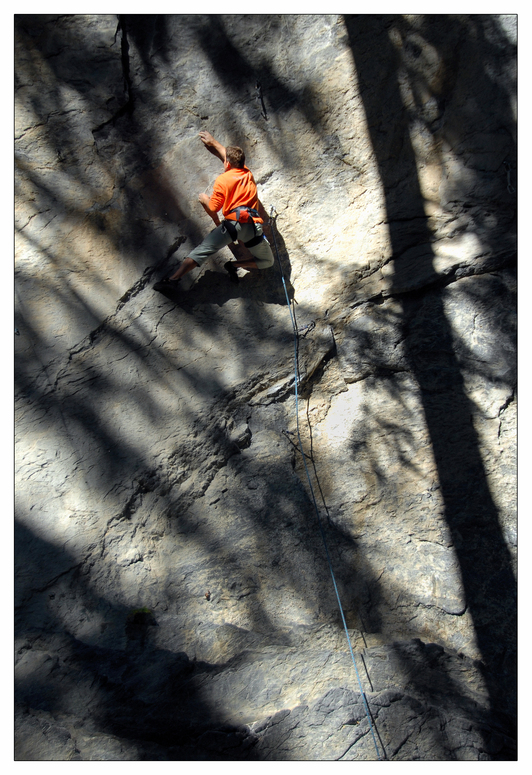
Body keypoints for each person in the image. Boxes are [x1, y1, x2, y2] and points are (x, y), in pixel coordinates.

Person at [154, 131, 274, 293]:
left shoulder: (223, 180)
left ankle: (173, 279)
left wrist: (204, 200)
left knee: (203, 250)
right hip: (252, 227)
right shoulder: (247, 173)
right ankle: (234, 265)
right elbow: (229, 156)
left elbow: (213, 208)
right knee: (267, 261)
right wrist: (214, 143)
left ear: (227, 165)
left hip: (233, 226)